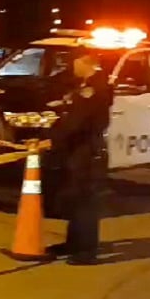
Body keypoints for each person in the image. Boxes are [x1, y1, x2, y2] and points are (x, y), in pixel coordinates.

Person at [44, 48, 114, 264]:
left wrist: (51, 138)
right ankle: (73, 244)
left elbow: (77, 122)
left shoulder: (94, 88)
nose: (72, 67)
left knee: (85, 202)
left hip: (86, 152)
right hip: (78, 151)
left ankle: (87, 251)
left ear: (85, 62)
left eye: (74, 62)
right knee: (74, 199)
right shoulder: (86, 86)